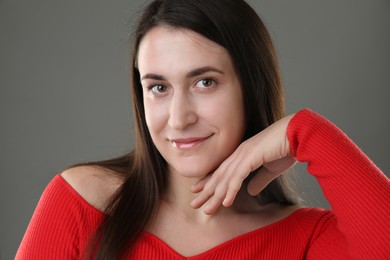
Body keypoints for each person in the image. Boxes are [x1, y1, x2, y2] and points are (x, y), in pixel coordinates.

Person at [16, 0, 390, 259]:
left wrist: (306, 132)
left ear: (251, 87)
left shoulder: (306, 238)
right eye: (158, 88)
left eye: (204, 82)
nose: (178, 119)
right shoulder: (84, 203)